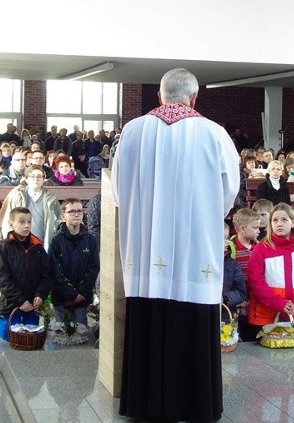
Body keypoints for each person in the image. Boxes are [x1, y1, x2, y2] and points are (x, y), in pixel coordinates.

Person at [111, 68, 239, 422]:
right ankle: (196, 403)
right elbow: (229, 192)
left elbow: (118, 190)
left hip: (146, 249)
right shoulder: (215, 134)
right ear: (194, 98)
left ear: (160, 96)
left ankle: (146, 402)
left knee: (150, 318)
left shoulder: (132, 131)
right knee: (193, 312)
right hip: (195, 247)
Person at [247, 204, 294, 328]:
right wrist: (278, 303)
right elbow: (256, 282)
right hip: (266, 315)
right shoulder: (261, 249)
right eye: (275, 220)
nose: (279, 223)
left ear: (293, 223)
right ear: (270, 224)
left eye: (284, 220)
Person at [49, 198, 99, 327]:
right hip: (62, 298)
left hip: (82, 298)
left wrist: (80, 294)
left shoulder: (90, 240)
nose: (76, 214)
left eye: (79, 211)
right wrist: (71, 294)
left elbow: (93, 269)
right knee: (63, 331)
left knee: (81, 331)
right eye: (72, 211)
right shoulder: (56, 241)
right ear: (63, 216)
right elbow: (55, 271)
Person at [0, 207, 53, 318]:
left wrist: (40, 294)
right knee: (13, 334)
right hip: (11, 305)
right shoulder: (4, 248)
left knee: (31, 334)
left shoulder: (38, 248)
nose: (26, 225)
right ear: (11, 224)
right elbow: (2, 279)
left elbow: (46, 274)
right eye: (21, 222)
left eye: (29, 221)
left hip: (32, 305)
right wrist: (20, 301)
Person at [0, 165, 61, 247]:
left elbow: (55, 222)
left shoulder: (51, 199)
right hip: (19, 243)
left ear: (43, 179)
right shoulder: (17, 195)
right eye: (32, 176)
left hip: (41, 244)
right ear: (26, 179)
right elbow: (7, 219)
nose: (36, 179)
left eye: (39, 176)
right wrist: (10, 240)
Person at [228, 208, 258, 341]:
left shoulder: (259, 247)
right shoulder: (230, 249)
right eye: (255, 227)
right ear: (242, 228)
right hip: (238, 302)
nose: (258, 230)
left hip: (255, 299)